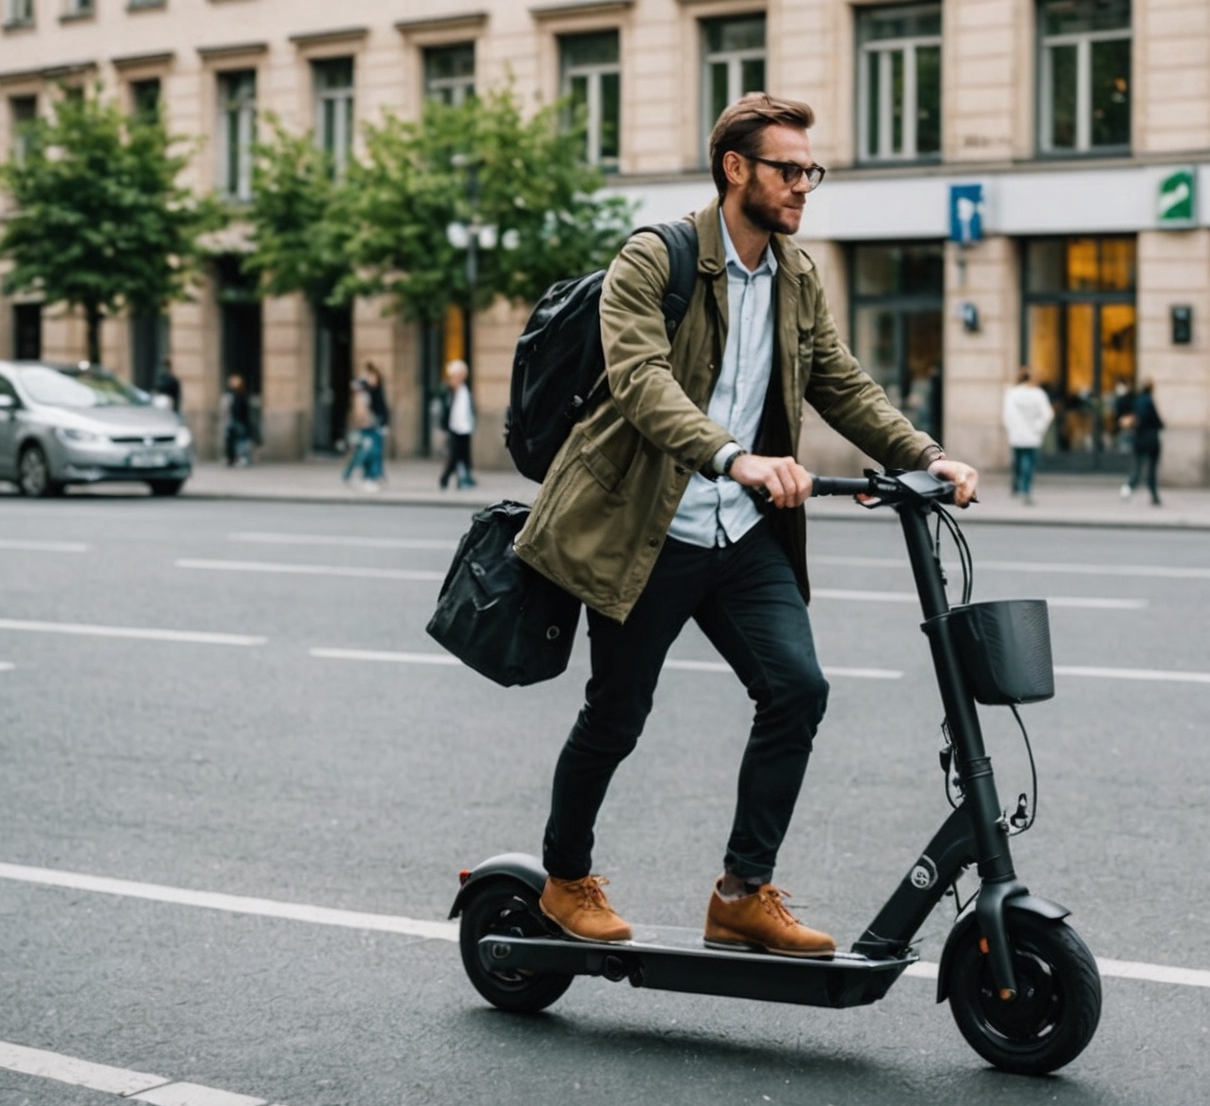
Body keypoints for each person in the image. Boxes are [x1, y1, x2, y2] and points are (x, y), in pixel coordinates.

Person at [511, 93, 977, 957]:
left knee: (797, 689)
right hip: (646, 534)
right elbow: (643, 384)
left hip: (742, 534)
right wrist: (737, 457)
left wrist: (925, 454)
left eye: (811, 171)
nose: (805, 186)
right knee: (616, 715)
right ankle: (565, 878)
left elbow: (837, 379)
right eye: (788, 170)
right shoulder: (654, 259)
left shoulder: (796, 273)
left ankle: (740, 893)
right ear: (736, 169)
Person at [1003, 367, 1055, 504]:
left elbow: (1007, 414)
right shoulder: (1038, 394)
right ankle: (1025, 490)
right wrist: (1038, 429)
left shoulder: (1012, 393)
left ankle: (1016, 486)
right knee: (1028, 463)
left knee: (1018, 462)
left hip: (1016, 434)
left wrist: (1012, 429)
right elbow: (1047, 414)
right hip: (1032, 435)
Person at [1117, 376, 1164, 505]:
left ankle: (1128, 489)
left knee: (1138, 468)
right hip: (1151, 439)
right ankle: (1153, 495)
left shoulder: (1137, 401)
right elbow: (1156, 421)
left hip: (1139, 438)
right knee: (1150, 469)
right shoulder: (1148, 401)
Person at [438, 359, 477, 490]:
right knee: (453, 457)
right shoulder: (449, 391)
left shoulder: (465, 390)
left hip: (465, 427)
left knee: (465, 456)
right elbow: (445, 409)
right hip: (454, 428)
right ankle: (444, 479)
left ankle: (465, 479)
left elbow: (468, 409)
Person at [340, 375, 384, 491]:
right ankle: (368, 477)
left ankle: (355, 475)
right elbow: (359, 415)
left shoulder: (362, 396)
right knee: (367, 453)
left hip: (365, 428)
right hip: (365, 429)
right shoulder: (362, 397)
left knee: (362, 454)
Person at [220, 374, 253, 467]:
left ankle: (241, 458)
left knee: (240, 442)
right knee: (235, 441)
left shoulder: (239, 396)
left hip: (238, 421)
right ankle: (235, 458)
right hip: (235, 421)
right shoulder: (234, 395)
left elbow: (243, 411)